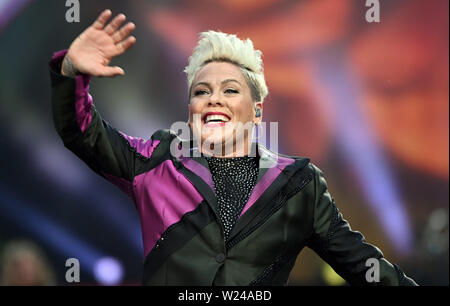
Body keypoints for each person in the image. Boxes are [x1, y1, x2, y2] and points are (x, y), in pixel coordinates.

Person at [49, 9, 417, 285]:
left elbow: (362, 264)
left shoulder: (297, 184)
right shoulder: (156, 161)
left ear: (257, 111)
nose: (214, 100)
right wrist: (70, 72)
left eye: (230, 90)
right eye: (201, 92)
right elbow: (82, 132)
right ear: (190, 109)